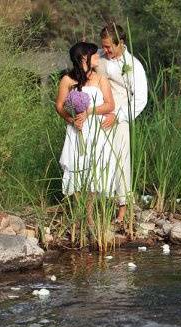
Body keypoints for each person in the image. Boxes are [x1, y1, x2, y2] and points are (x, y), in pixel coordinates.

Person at [55, 42, 116, 224]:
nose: (98, 55)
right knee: (76, 166)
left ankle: (88, 215)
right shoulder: (67, 80)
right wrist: (71, 119)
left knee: (94, 168)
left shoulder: (100, 79)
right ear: (84, 57)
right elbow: (59, 106)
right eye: (94, 53)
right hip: (77, 129)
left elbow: (109, 105)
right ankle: (78, 211)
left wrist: (88, 112)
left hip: (96, 129)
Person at [97, 23, 148, 224]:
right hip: (98, 114)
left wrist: (118, 116)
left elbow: (141, 99)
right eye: (104, 46)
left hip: (119, 117)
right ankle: (99, 205)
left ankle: (122, 211)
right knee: (99, 158)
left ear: (121, 43)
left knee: (120, 160)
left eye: (109, 47)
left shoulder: (133, 65)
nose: (106, 50)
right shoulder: (98, 57)